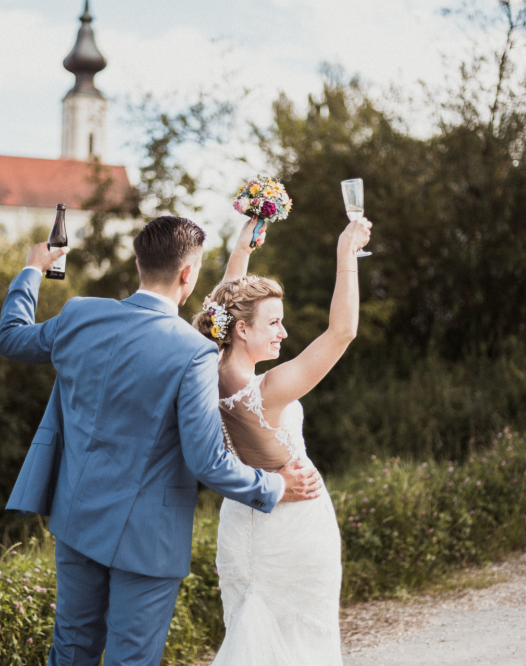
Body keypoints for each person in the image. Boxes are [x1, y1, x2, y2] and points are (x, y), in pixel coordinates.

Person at [0, 215, 323, 666]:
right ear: (188, 275)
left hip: (75, 517)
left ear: (138, 262)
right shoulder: (192, 353)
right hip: (146, 541)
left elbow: (12, 338)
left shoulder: (79, 315)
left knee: (70, 651)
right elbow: (207, 461)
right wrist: (276, 487)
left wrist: (32, 269)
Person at [192, 214, 372, 665]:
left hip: (243, 525)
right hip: (289, 533)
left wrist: (243, 248)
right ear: (242, 329)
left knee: (253, 636)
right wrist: (346, 253)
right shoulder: (267, 392)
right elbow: (343, 332)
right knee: (296, 645)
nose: (283, 332)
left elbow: (226, 301)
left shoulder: (211, 369)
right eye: (274, 322)